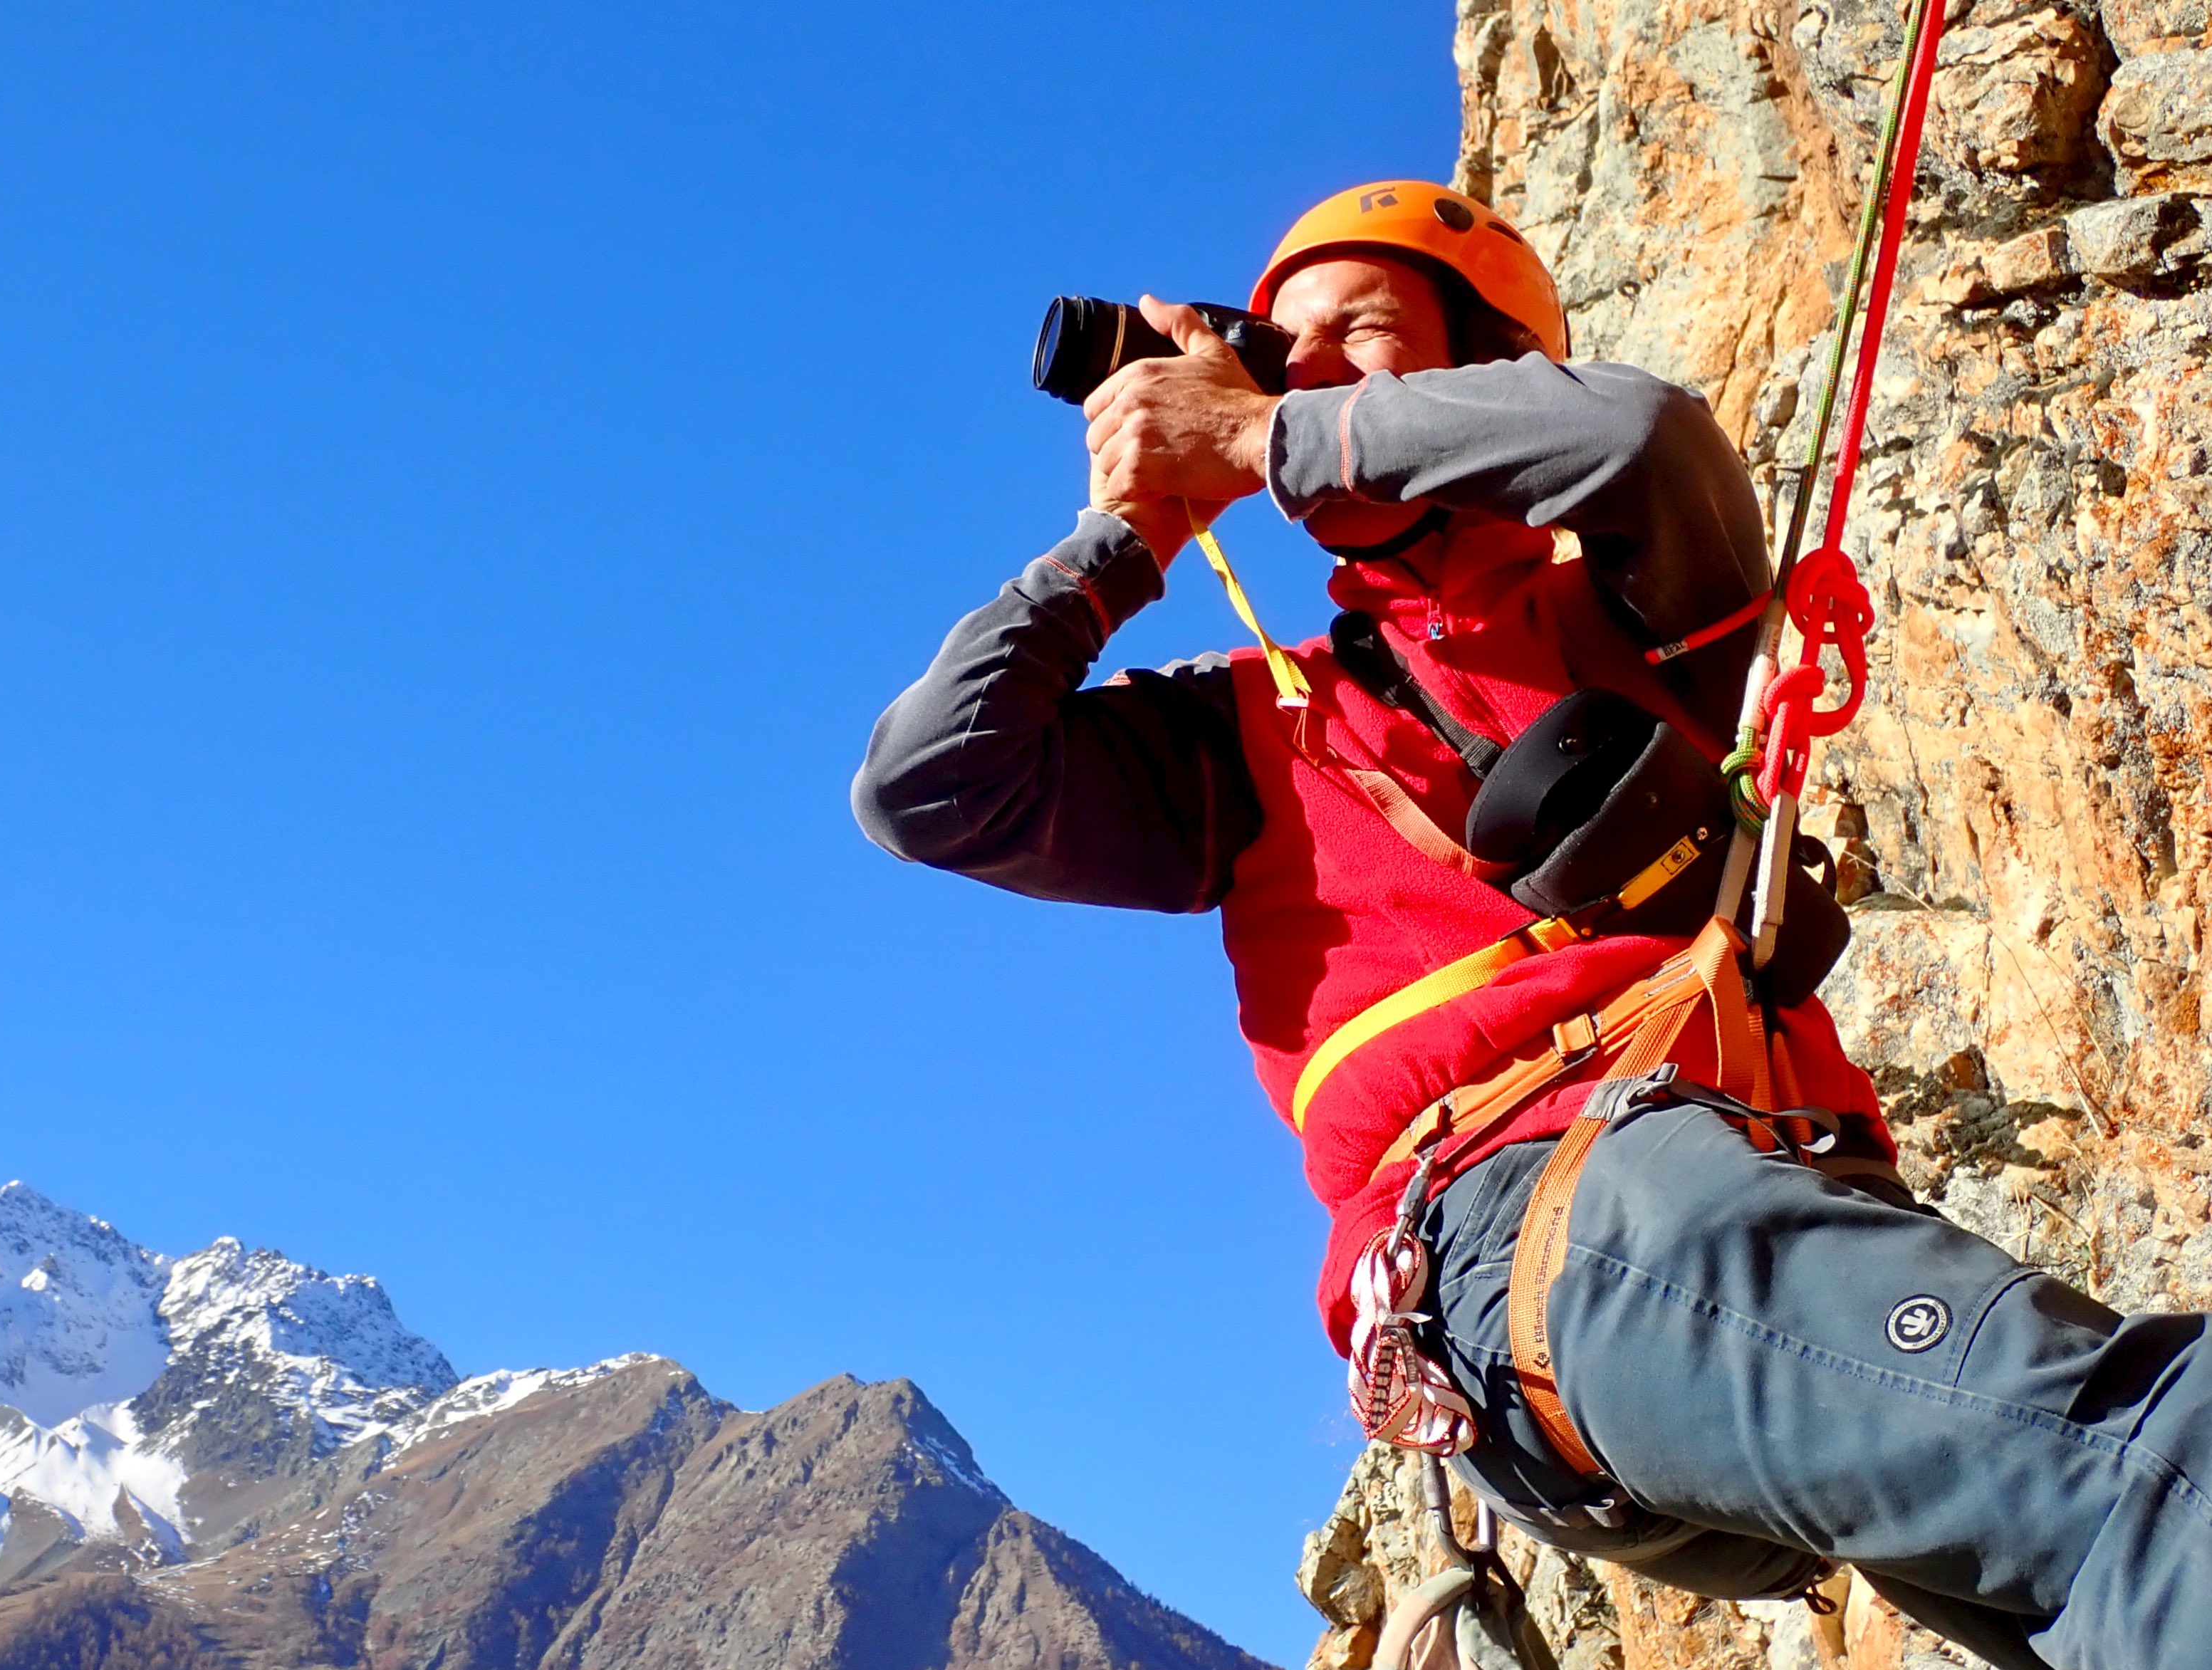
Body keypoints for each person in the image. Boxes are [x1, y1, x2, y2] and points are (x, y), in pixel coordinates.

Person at [851, 180, 2212, 1670]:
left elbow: (1637, 442)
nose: (1307, 370)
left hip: (1709, 1222)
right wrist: (1129, 532)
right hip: (1542, 1227)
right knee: (2146, 1468)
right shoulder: (1254, 727)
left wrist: (1255, 435)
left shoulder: (1615, 611)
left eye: (1358, 331)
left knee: (2110, 1567)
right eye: (1281, 349)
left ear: (1489, 368)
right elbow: (932, 785)